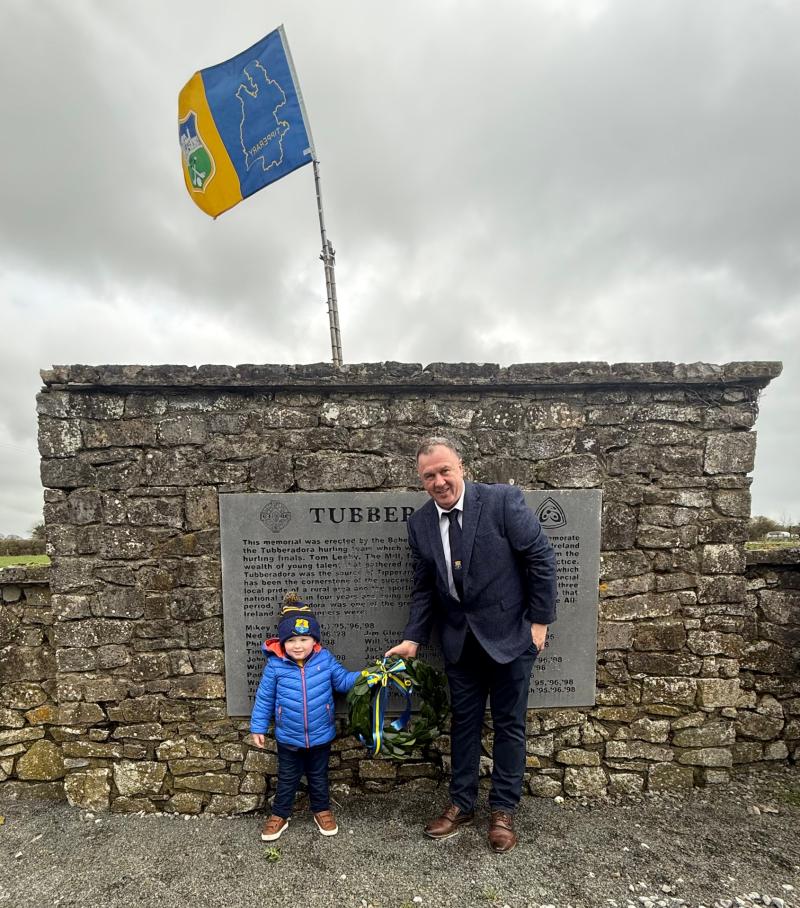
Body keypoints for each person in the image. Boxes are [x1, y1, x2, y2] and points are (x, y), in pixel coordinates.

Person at [386, 436, 557, 853]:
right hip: (459, 642)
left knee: (509, 724)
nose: (440, 481)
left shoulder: (501, 501)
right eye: (430, 475)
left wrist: (539, 621)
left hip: (511, 636)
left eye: (445, 470)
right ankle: (462, 804)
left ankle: (503, 811)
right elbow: (424, 587)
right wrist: (413, 637)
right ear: (421, 480)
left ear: (461, 466)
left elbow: (541, 557)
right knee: (463, 724)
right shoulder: (420, 524)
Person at [251, 595, 361, 842]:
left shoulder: (325, 660)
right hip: (288, 737)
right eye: (291, 640)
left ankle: (321, 810)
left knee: (318, 776)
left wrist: (367, 677)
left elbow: (343, 682)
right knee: (287, 778)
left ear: (314, 640)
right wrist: (258, 726)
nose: (298, 645)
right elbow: (265, 698)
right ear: (283, 642)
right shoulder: (275, 665)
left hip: (320, 735)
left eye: (304, 639)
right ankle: (280, 814)